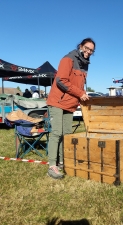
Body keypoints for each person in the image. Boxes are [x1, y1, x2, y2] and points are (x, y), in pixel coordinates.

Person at [46, 37, 95, 179]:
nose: (88, 52)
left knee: (67, 134)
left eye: (91, 50)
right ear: (81, 46)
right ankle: (52, 166)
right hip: (57, 101)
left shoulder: (86, 64)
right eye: (87, 48)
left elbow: (79, 85)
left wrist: (81, 96)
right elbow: (61, 81)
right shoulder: (68, 59)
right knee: (57, 133)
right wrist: (80, 93)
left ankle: (63, 162)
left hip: (70, 103)